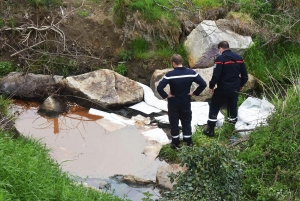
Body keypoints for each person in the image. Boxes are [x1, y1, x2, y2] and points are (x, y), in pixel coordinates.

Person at [157, 54, 207, 148]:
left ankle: (175, 143)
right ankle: (188, 142)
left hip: (173, 101)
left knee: (174, 122)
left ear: (173, 63)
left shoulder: (170, 75)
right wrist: (194, 93)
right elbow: (203, 84)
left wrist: (166, 95)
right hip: (185, 101)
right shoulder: (191, 73)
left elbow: (160, 87)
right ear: (181, 62)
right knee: (186, 121)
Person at [203, 41, 248, 137]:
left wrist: (211, 86)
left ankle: (210, 129)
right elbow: (245, 76)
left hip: (222, 88)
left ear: (221, 49)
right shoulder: (239, 58)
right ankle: (232, 130)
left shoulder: (220, 59)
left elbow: (216, 76)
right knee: (232, 107)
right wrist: (241, 85)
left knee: (214, 107)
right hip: (235, 88)